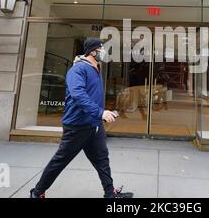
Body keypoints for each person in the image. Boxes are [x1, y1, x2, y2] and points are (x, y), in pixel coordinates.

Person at [30, 38, 134, 198]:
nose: (103, 52)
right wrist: (100, 112)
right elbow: (79, 95)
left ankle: (110, 194)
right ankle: (37, 193)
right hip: (77, 127)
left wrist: (103, 113)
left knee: (102, 159)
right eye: (101, 49)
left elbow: (92, 96)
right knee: (60, 162)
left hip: (94, 125)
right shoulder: (78, 70)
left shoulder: (96, 68)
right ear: (92, 51)